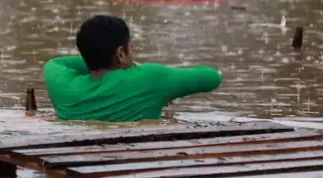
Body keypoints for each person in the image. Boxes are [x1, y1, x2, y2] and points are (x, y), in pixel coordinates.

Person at [42, 15, 222, 122]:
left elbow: (57, 63)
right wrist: (140, 72)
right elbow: (212, 77)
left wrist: (94, 59)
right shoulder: (150, 78)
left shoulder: (61, 84)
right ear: (121, 53)